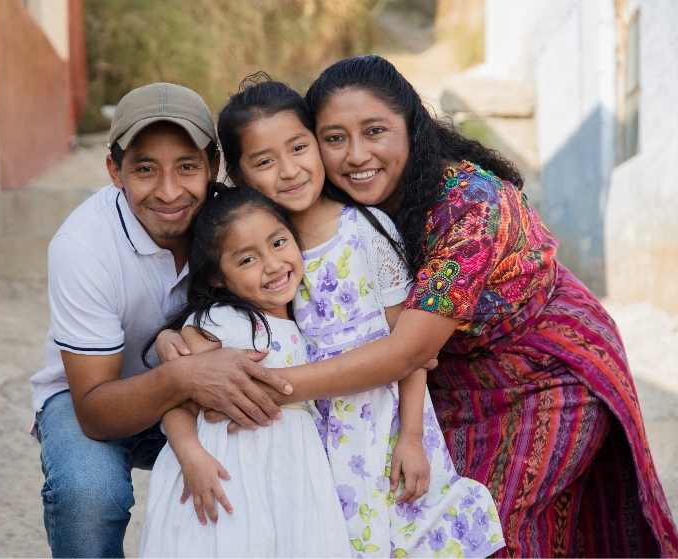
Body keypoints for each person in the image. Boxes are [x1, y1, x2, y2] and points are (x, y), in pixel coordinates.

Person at [296, 54, 678, 557]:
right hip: (455, 389)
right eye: (334, 138)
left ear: (412, 129)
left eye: (375, 131)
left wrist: (270, 387)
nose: (356, 155)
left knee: (481, 531)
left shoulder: (472, 209)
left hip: (547, 375)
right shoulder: (337, 207)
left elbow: (406, 351)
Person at [159, 77, 506, 557]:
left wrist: (410, 436)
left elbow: (407, 348)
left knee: (401, 534)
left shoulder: (366, 229)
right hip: (311, 437)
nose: (288, 170)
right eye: (263, 161)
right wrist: (172, 343)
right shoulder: (258, 253)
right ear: (238, 176)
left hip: (379, 426)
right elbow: (213, 338)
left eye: (299, 147)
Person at [29, 83, 297, 558]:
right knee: (89, 493)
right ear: (115, 170)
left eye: (187, 167)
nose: (170, 192)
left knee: (277, 455)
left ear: (213, 165)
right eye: (145, 169)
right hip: (96, 399)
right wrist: (186, 374)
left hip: (199, 392)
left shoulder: (230, 222)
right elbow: (94, 411)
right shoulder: (83, 246)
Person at [139, 186, 351, 557]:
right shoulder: (224, 322)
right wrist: (192, 456)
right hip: (227, 473)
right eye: (247, 260)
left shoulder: (311, 312)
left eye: (279, 242)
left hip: (294, 474)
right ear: (218, 278)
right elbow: (177, 404)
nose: (272, 264)